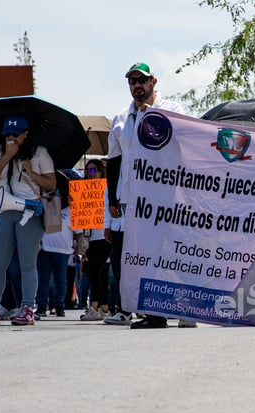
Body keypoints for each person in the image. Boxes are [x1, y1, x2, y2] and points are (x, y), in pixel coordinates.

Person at [106, 62, 191, 328]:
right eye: (132, 82)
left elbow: (189, 141)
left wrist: (153, 115)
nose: (136, 86)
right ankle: (152, 312)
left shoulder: (173, 111)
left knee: (169, 254)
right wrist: (111, 200)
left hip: (165, 196)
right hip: (131, 199)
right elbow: (114, 160)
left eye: (141, 80)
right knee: (139, 256)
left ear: (153, 81)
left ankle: (184, 309)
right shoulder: (121, 119)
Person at [0, 115, 56, 325]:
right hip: (5, 211)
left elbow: (51, 184)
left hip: (30, 213)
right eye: (7, 134)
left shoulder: (40, 153)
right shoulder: (0, 151)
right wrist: (8, 155)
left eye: (16, 135)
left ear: (26, 134)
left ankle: (27, 308)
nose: (11, 138)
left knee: (27, 263)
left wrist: (32, 173)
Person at [79, 159, 112, 321]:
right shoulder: (84, 190)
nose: (90, 174)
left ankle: (94, 307)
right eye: (87, 171)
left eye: (93, 171)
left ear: (100, 172)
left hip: (103, 236)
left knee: (94, 272)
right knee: (101, 273)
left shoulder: (106, 188)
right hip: (90, 237)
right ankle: (104, 308)